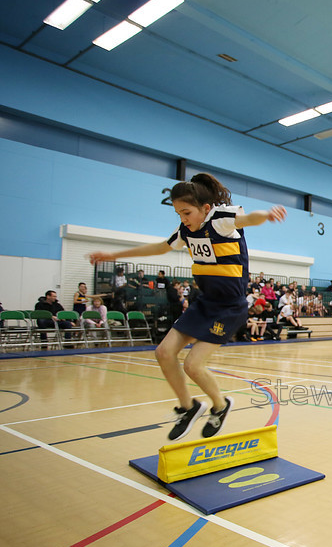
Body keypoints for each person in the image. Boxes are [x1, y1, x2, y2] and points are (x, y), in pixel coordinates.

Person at [89, 173, 286, 441]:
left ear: (205, 208)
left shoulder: (221, 220)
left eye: (187, 212)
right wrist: (113, 255)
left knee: (193, 365)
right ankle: (188, 406)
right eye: (179, 213)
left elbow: (249, 219)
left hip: (229, 307)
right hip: (204, 302)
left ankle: (220, 405)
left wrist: (268, 214)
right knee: (163, 353)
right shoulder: (185, 231)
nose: (183, 219)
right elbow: (160, 247)